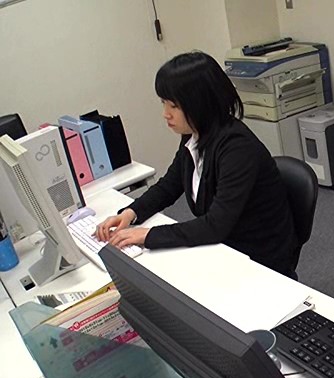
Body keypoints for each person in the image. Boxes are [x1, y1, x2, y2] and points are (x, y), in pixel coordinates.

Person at [95, 51, 298, 278]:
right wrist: (131, 213)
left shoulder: (237, 149)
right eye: (163, 103)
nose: (165, 114)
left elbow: (215, 226)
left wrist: (148, 235)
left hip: (257, 259)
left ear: (200, 104)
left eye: (174, 106)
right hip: (223, 246)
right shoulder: (195, 134)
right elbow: (169, 185)